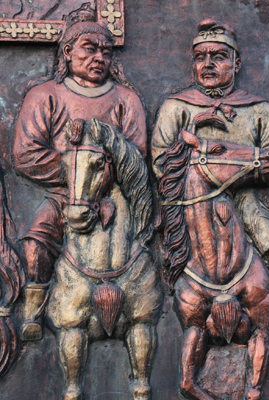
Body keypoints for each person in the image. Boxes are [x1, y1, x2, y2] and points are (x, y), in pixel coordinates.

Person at [151, 19, 269, 343]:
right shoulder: (176, 108)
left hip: (243, 199)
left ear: (236, 63)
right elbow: (161, 162)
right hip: (191, 202)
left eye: (218, 56)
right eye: (200, 57)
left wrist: (234, 168)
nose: (208, 64)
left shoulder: (259, 109)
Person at [13, 16, 147, 341]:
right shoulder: (45, 95)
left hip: (113, 197)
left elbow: (136, 155)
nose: (99, 58)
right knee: (35, 244)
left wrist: (101, 176)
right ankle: (33, 312)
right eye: (89, 49)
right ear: (68, 52)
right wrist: (75, 170)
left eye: (106, 52)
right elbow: (25, 155)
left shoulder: (126, 100)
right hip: (63, 195)